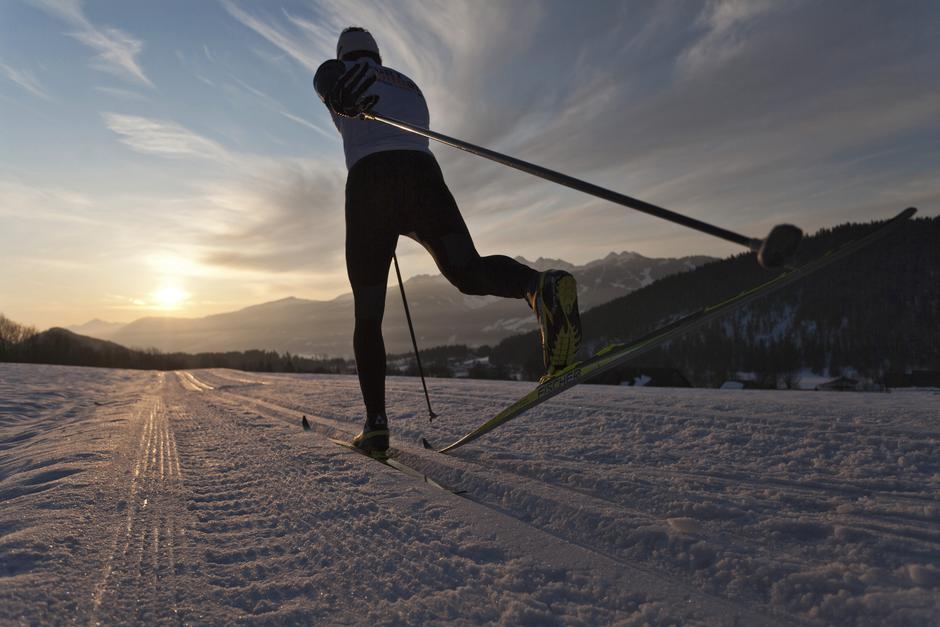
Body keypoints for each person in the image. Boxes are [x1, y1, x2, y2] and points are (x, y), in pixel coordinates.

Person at [313, 27, 582, 454]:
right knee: (467, 269)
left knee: (369, 315)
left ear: (345, 53)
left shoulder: (340, 72)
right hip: (424, 179)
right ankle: (536, 287)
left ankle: (376, 426)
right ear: (378, 55)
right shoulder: (409, 85)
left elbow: (325, 77)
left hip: (370, 187)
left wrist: (333, 91)